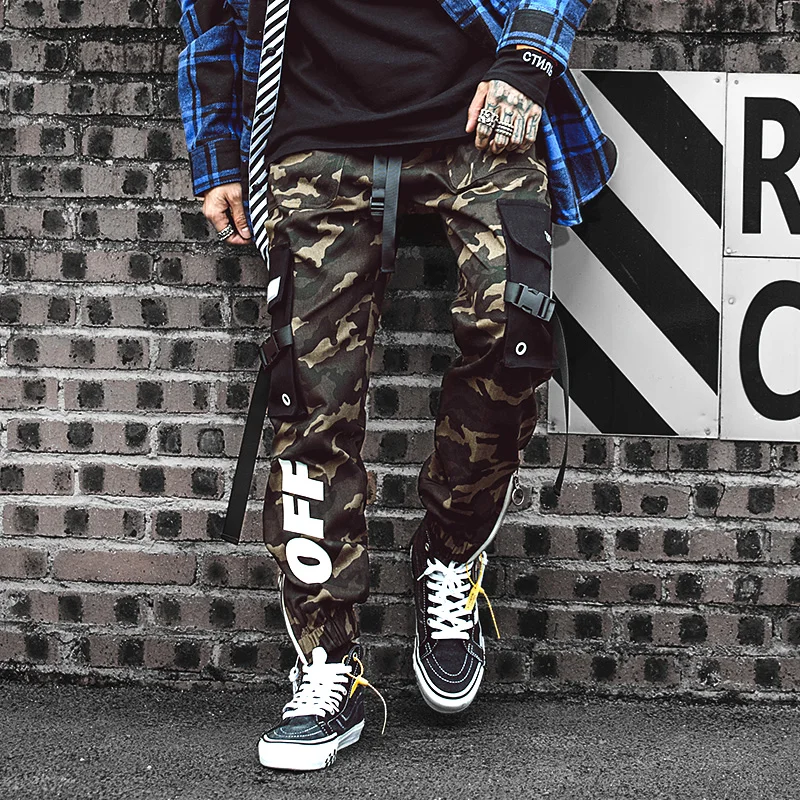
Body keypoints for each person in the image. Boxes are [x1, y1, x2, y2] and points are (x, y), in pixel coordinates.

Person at [177, 0, 615, 772]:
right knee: (307, 395)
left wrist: (528, 59)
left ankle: (448, 555)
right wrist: (217, 149)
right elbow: (208, 12)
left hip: (475, 109)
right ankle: (326, 665)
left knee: (514, 335)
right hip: (312, 124)